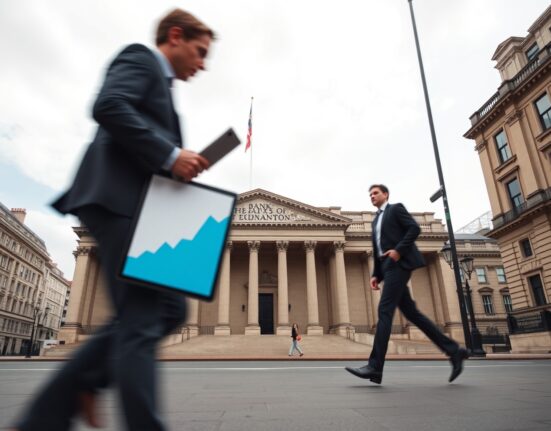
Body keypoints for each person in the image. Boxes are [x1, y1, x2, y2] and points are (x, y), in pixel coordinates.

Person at [11, 9, 215, 431]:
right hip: (116, 201)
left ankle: (70, 393)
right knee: (142, 317)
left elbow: (146, 142)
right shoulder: (140, 58)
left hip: (141, 210)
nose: (202, 63)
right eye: (199, 52)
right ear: (175, 36)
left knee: (171, 308)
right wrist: (171, 155)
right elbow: (108, 106)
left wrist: (177, 166)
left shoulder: (162, 85)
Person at [345, 184, 469, 385]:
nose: (372, 196)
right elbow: (378, 249)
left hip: (399, 264)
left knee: (385, 310)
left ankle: (375, 367)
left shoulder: (395, 209)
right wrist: (376, 274)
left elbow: (414, 228)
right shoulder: (376, 220)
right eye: (370, 194)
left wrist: (399, 251)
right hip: (388, 267)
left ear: (386, 194)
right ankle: (455, 351)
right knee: (412, 314)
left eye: (376, 193)